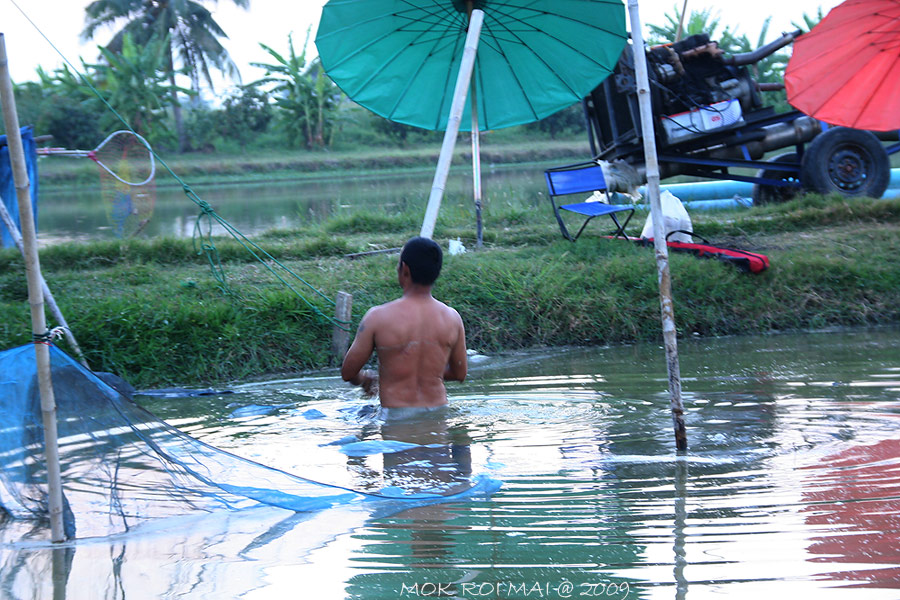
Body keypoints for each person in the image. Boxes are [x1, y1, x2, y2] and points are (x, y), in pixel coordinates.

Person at [341, 236, 467, 411]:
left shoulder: (377, 317)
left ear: (405, 270)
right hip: (439, 415)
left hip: (396, 418)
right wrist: (430, 373)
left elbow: (348, 372)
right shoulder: (452, 318)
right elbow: (460, 373)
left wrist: (365, 379)